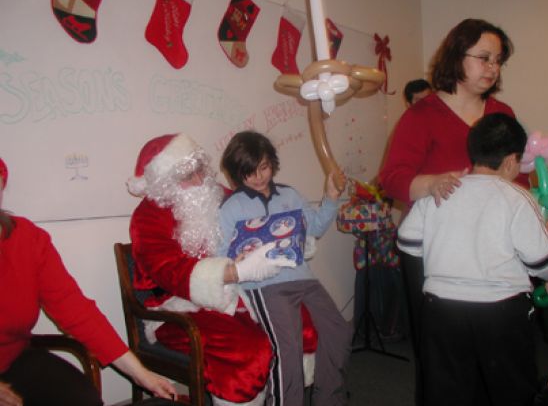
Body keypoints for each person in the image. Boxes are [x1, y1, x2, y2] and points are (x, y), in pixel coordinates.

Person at [378, 18, 525, 405]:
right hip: (436, 254)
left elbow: (518, 176)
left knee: (496, 356)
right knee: (443, 360)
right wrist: (432, 184)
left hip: (492, 251)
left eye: (498, 60)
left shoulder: (502, 112)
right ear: (457, 57)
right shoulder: (423, 115)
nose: (492, 68)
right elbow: (392, 178)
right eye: (484, 58)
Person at [396, 113, 548, 406]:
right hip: (500, 314)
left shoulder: (442, 189)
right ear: (510, 161)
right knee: (511, 390)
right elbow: (542, 261)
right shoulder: (516, 197)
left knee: (446, 392)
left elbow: (408, 242)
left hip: (441, 312)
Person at [127, 133, 308, 406]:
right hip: (179, 307)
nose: (200, 181)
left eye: (200, 169)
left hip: (237, 294)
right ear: (165, 183)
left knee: (302, 321)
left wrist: (292, 239)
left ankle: (281, 395)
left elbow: (260, 224)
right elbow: (170, 272)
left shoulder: (221, 195)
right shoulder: (148, 217)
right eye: (187, 176)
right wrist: (234, 272)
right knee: (248, 351)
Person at [0, 158, 176, 406]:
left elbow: (74, 308)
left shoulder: (27, 238)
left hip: (13, 358)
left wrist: (141, 373)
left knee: (83, 400)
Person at [218, 130, 352, 406]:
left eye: (264, 167)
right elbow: (219, 256)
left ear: (272, 164)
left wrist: (330, 198)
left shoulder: (289, 194)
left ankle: (327, 399)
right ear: (236, 173)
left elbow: (314, 228)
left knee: (339, 329)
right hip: (266, 287)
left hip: (304, 278)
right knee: (288, 347)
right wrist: (238, 262)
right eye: (249, 172)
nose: (259, 177)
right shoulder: (231, 207)